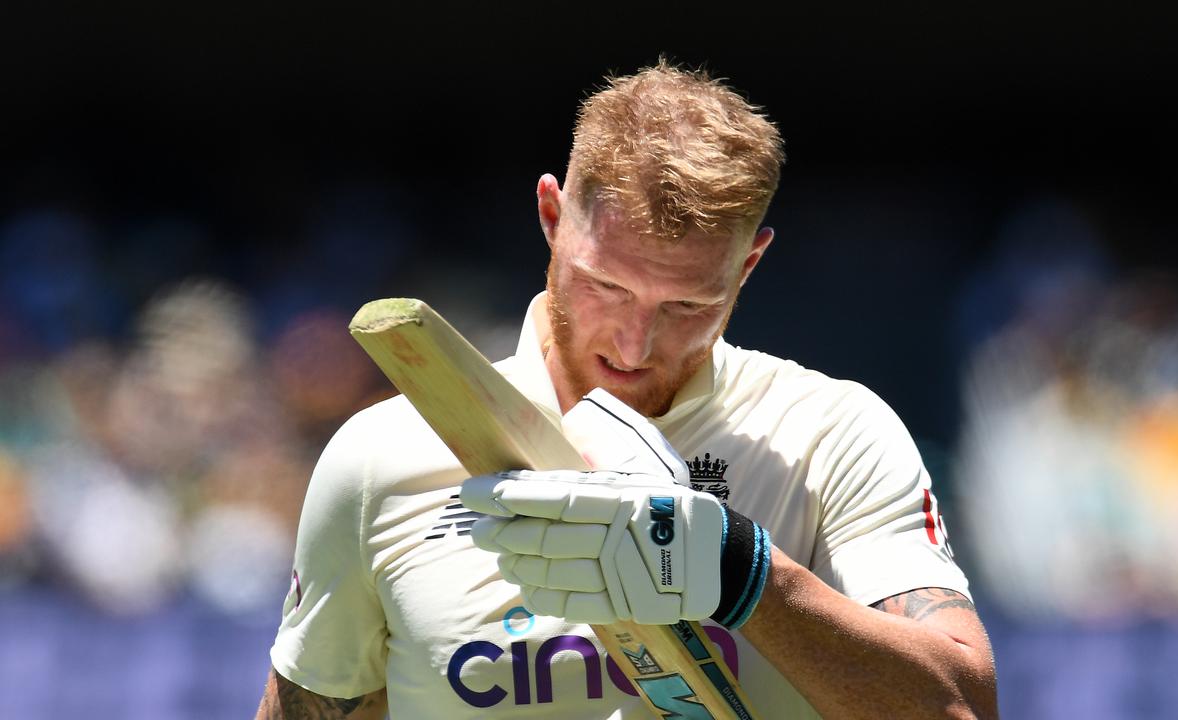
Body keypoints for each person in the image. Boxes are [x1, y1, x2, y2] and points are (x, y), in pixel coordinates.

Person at [256, 59, 998, 719]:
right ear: (551, 216)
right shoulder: (382, 455)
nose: (634, 344)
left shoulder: (829, 434)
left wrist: (744, 577)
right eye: (606, 284)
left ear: (748, 266)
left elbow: (960, 707)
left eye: (688, 306)